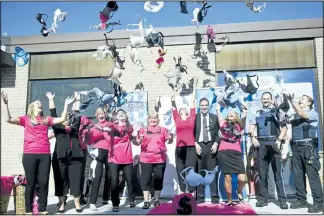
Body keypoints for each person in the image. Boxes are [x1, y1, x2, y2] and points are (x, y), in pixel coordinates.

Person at [1, 91, 74, 215]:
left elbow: (61, 119)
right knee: (31, 182)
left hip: (44, 154)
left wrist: (66, 104)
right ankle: (28, 210)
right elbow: (8, 119)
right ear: (32, 107)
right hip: (30, 154)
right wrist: (5, 103)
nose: (40, 104)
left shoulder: (47, 119)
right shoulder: (26, 119)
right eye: (37, 103)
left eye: (41, 103)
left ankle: (42, 209)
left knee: (44, 182)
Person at [249, 92, 288, 209]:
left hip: (274, 143)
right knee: (262, 173)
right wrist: (253, 137)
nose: (266, 100)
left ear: (271, 99)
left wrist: (279, 140)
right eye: (264, 99)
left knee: (277, 174)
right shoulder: (257, 112)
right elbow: (251, 126)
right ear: (261, 100)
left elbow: (284, 128)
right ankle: (263, 199)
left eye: (268, 99)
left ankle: (282, 201)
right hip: (261, 144)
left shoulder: (277, 111)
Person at [46, 92, 83, 213]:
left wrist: (77, 100)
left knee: (76, 180)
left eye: (68, 118)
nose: (66, 119)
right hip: (60, 157)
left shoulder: (75, 127)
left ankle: (77, 203)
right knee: (60, 180)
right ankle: (62, 203)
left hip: (75, 157)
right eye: (64, 118)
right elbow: (53, 112)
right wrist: (51, 99)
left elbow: (77, 113)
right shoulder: (57, 128)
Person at [287, 94, 323, 213]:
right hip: (296, 149)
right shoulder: (295, 115)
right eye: (299, 99)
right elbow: (286, 118)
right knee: (298, 176)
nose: (300, 100)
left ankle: (319, 203)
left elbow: (302, 113)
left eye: (302, 99)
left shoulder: (313, 113)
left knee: (312, 176)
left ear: (309, 103)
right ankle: (301, 200)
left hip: (308, 149)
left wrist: (292, 99)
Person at [135, 111, 174, 209]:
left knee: (158, 180)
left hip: (159, 159)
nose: (153, 120)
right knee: (146, 180)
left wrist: (171, 138)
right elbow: (137, 142)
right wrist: (140, 139)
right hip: (145, 159)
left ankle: (156, 200)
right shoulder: (142, 130)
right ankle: (146, 201)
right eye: (151, 118)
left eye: (155, 118)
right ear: (148, 120)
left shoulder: (163, 130)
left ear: (158, 120)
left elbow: (169, 141)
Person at [215, 102, 247, 206]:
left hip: (236, 153)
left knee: (242, 178)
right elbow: (218, 113)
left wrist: (244, 111)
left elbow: (244, 117)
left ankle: (239, 191)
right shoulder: (223, 124)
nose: (230, 115)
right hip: (223, 152)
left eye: (232, 114)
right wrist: (218, 108)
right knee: (227, 177)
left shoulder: (239, 126)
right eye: (228, 114)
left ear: (236, 116)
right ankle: (229, 200)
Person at [171, 77, 198, 194]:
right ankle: (183, 190)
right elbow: (174, 103)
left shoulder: (192, 117)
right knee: (180, 169)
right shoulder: (177, 118)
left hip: (191, 147)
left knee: (190, 169)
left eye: (184, 108)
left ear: (186, 110)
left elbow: (193, 100)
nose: (181, 108)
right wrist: (173, 89)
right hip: (179, 147)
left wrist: (195, 85)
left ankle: (191, 191)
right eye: (180, 108)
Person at [84, 107, 112, 211]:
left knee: (109, 176)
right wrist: (99, 131)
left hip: (110, 152)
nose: (101, 115)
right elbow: (90, 140)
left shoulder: (110, 125)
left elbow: (112, 137)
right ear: (96, 116)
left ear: (106, 114)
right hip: (98, 152)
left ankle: (106, 198)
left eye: (102, 113)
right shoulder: (94, 126)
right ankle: (92, 202)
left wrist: (105, 130)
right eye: (99, 114)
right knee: (97, 177)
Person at [108, 109, 136, 212]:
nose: (121, 116)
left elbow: (129, 128)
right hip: (114, 158)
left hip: (127, 157)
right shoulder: (113, 126)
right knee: (114, 181)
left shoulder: (128, 126)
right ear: (116, 116)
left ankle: (132, 200)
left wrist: (126, 120)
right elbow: (108, 127)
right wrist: (113, 119)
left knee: (129, 180)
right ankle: (115, 203)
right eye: (119, 114)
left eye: (122, 114)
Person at [194, 97, 220, 204]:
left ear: (209, 106)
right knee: (200, 173)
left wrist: (216, 143)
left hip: (211, 146)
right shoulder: (195, 118)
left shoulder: (214, 117)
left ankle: (215, 197)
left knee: (212, 172)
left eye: (206, 105)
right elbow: (190, 132)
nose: (204, 107)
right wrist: (195, 143)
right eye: (202, 105)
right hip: (199, 146)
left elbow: (220, 132)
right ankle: (200, 197)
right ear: (199, 106)